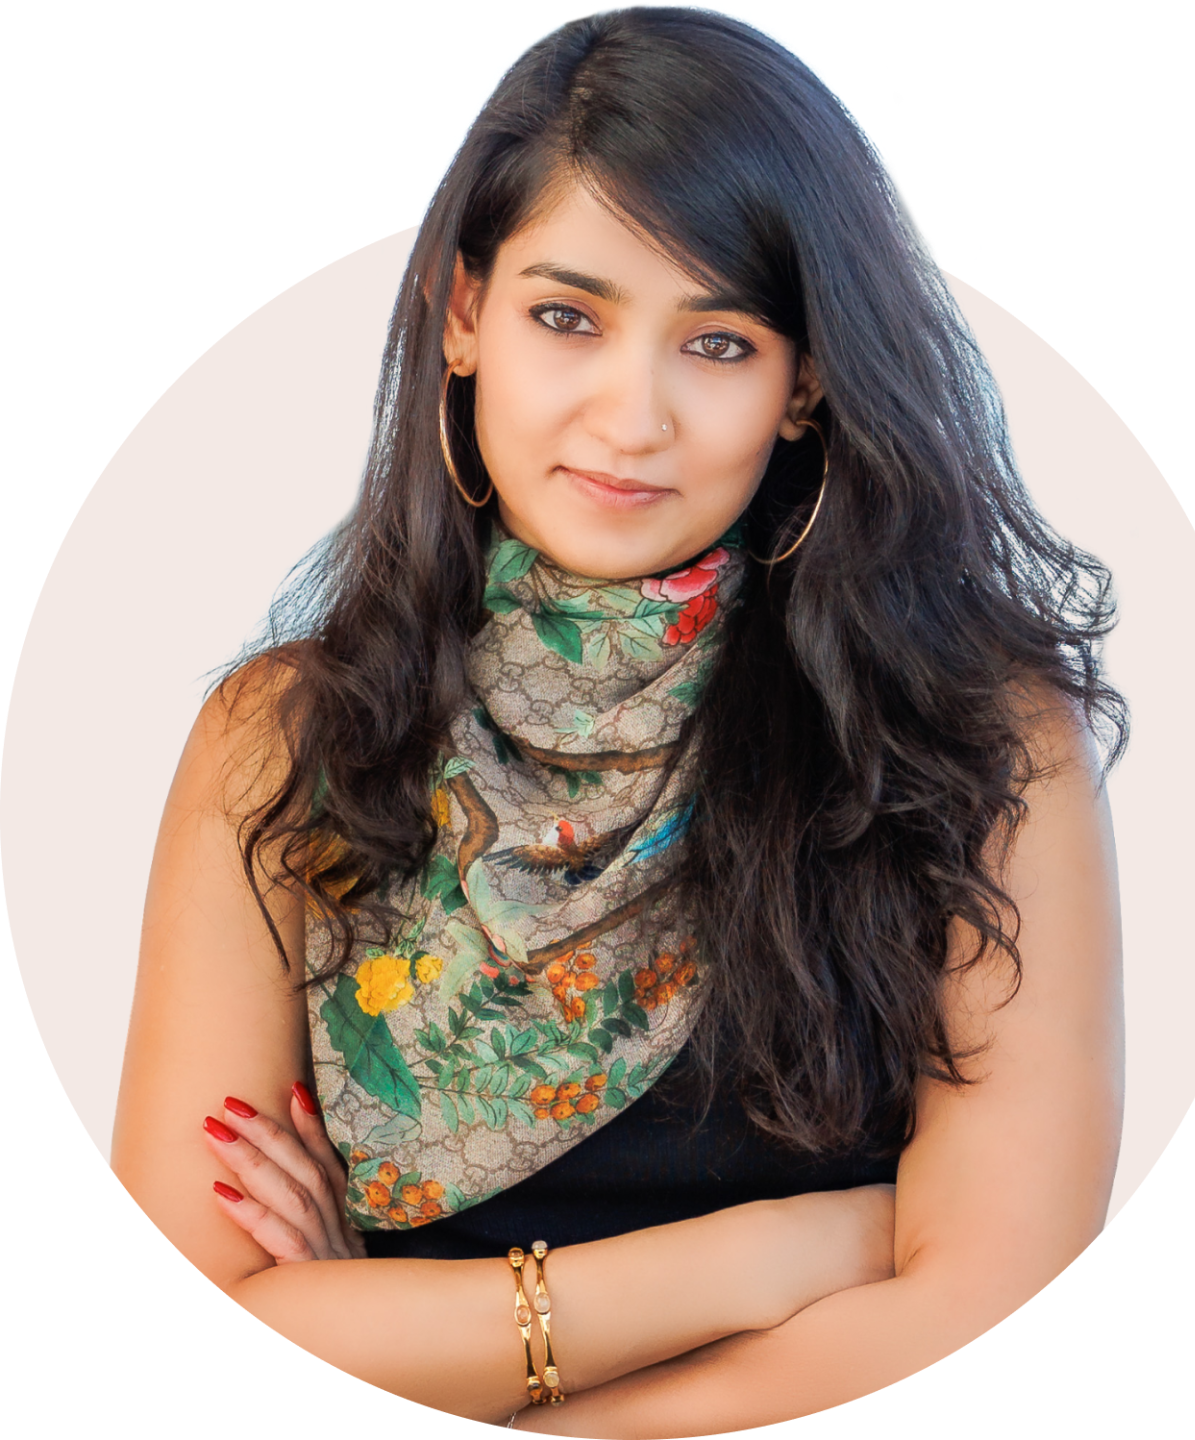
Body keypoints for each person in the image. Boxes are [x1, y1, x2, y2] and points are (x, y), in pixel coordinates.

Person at [111, 6, 1126, 1432]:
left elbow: (977, 1311)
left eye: (716, 342)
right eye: (566, 318)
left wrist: (419, 1347)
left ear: (805, 382)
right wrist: (764, 1260)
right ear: (463, 313)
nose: (630, 417)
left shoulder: (977, 739)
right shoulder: (282, 739)